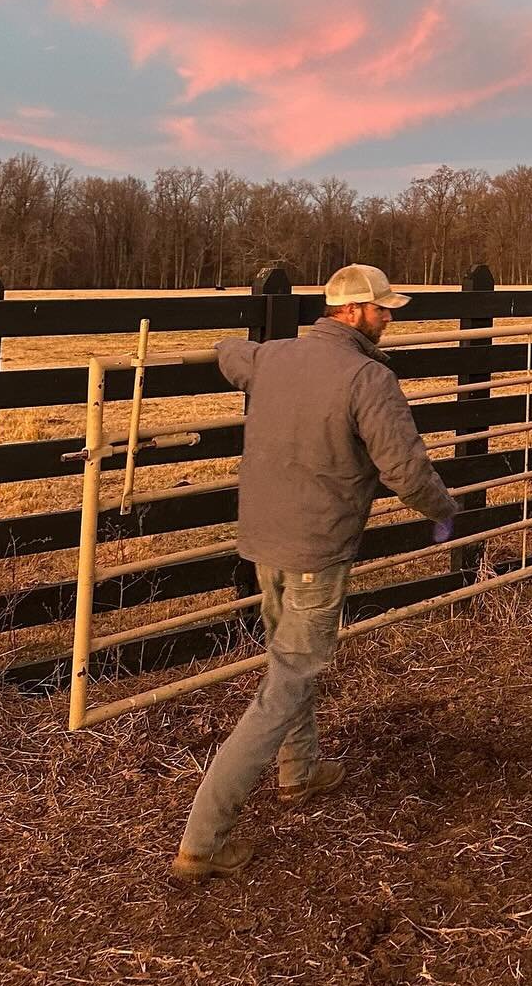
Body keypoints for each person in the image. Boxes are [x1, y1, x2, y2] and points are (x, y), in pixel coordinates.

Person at [171, 264, 459, 881]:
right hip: (313, 550)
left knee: (287, 661)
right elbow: (405, 472)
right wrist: (445, 512)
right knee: (288, 684)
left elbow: (231, 354)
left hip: (262, 545)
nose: (390, 317)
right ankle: (204, 838)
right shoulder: (368, 378)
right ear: (352, 312)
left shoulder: (271, 358)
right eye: (383, 309)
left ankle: (299, 773)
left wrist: (220, 344)